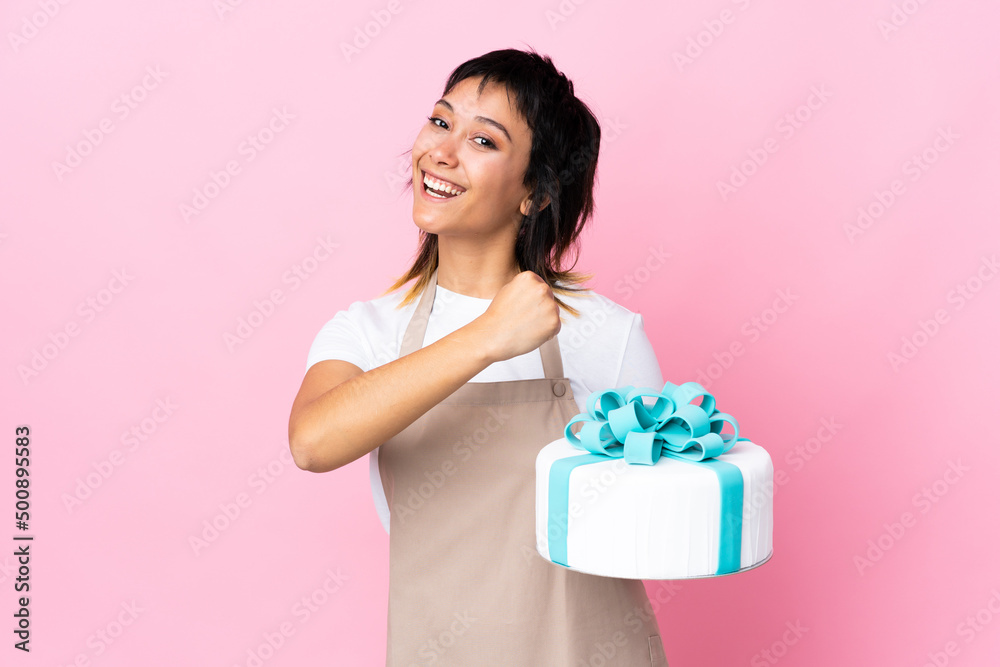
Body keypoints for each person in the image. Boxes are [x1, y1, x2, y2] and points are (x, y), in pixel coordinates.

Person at [288, 46, 669, 666]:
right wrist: (487, 337)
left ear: (535, 195)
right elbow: (312, 442)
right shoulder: (367, 330)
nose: (441, 151)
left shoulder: (607, 336)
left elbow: (653, 524)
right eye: (441, 122)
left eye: (484, 142)